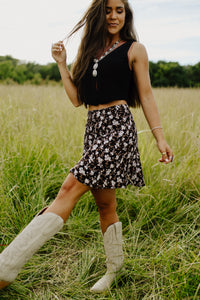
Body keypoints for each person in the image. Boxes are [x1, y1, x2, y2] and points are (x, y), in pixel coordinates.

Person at [0, 0, 173, 293]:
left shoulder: (134, 50)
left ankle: (5, 269)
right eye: (108, 10)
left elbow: (146, 95)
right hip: (93, 127)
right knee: (105, 204)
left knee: (67, 189)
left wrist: (160, 138)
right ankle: (114, 270)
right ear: (98, 13)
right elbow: (77, 100)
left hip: (118, 128)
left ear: (126, 15)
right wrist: (61, 65)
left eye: (120, 10)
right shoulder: (89, 51)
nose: (114, 15)